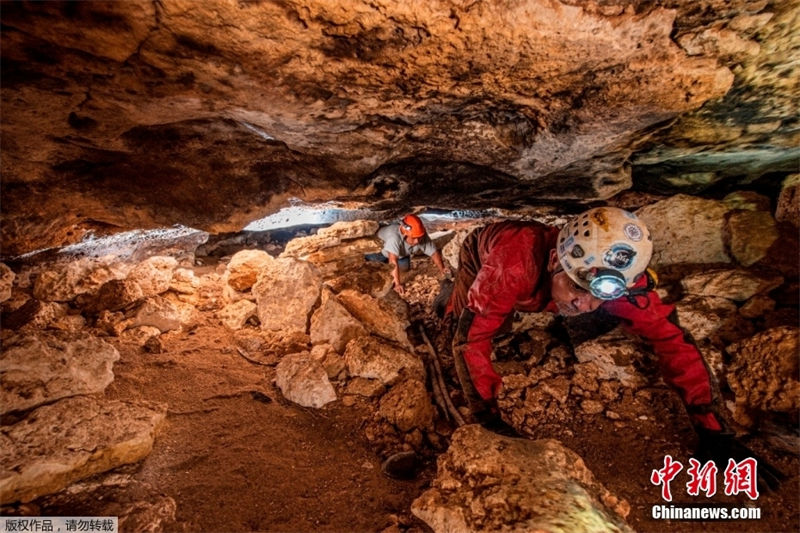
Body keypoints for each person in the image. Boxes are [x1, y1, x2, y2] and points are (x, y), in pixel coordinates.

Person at [442, 206, 782, 489]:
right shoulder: (512, 264)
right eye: (578, 287)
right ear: (554, 261)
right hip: (481, 251)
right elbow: (472, 339)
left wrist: (714, 429)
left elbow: (673, 341)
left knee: (588, 315)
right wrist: (488, 418)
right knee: (478, 323)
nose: (586, 303)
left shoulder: (618, 283)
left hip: (543, 283)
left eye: (598, 295)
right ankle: (446, 303)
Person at [366, 214, 452, 295]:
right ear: (405, 233)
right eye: (414, 238)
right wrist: (397, 284)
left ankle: (389, 268)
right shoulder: (394, 236)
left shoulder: (419, 234)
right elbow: (393, 261)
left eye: (419, 237)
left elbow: (434, 253)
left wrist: (442, 269)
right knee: (374, 268)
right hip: (378, 251)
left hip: (400, 254)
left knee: (404, 268)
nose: (417, 241)